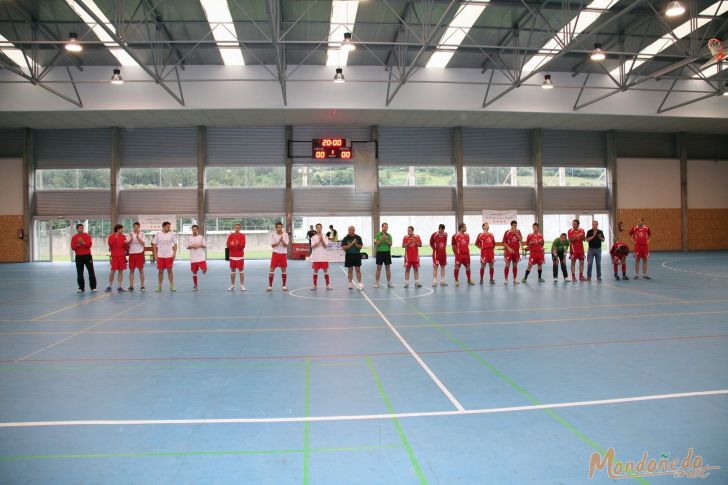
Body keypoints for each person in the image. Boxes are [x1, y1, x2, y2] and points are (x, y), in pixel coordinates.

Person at [71, 223, 97, 293]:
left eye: (82, 228)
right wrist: (78, 244)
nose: (81, 229)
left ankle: (93, 287)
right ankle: (81, 288)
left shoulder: (87, 236)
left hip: (87, 256)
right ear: (77, 229)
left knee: (91, 271)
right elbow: (73, 248)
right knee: (79, 272)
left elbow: (89, 245)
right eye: (79, 228)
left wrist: (83, 242)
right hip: (79, 256)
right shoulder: (74, 237)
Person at [152, 221, 177, 292]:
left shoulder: (172, 234)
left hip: (169, 255)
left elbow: (175, 244)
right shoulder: (158, 234)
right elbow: (154, 244)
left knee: (170, 270)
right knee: (160, 271)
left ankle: (172, 285)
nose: (169, 228)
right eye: (167, 227)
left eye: (169, 227)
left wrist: (174, 253)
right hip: (160, 256)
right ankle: (159, 286)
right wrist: (155, 254)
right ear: (163, 227)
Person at [106, 223, 127, 293]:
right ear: (118, 229)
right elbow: (110, 244)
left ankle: (119, 286)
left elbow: (126, 247)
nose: (122, 230)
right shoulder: (111, 236)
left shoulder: (123, 236)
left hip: (122, 256)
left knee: (121, 271)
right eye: (122, 229)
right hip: (115, 256)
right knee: (112, 272)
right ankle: (109, 286)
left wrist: (126, 243)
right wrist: (115, 237)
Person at [310, 223, 333, 290]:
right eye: (317, 227)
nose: (319, 229)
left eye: (320, 227)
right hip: (316, 257)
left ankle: (327, 285)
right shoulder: (313, 237)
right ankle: (314, 285)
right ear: (316, 228)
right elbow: (312, 246)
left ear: (322, 228)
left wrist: (322, 241)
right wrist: (318, 242)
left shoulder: (325, 237)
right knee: (315, 271)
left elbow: (325, 246)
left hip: (324, 257)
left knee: (325, 271)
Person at [268, 222, 289, 291]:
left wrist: (282, 240)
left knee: (283, 270)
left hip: (283, 254)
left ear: (282, 227)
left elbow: (286, 245)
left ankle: (284, 286)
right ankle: (270, 286)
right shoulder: (273, 235)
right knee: (271, 269)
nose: (279, 228)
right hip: (275, 254)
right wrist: (279, 241)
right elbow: (272, 245)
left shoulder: (285, 235)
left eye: (280, 227)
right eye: (278, 227)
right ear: (276, 228)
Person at [341, 226, 364, 290]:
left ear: (354, 230)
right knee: (350, 270)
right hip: (349, 255)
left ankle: (359, 284)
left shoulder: (358, 237)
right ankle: (350, 284)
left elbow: (360, 247)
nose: (349, 230)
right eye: (349, 229)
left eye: (351, 229)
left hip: (357, 255)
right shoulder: (345, 238)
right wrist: (352, 243)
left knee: (358, 270)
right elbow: (344, 248)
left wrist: (355, 243)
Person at [126, 222, 146, 292]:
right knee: (131, 270)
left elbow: (143, 244)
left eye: (137, 226)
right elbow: (127, 244)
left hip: (139, 253)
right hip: (131, 253)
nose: (135, 228)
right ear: (133, 227)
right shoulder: (130, 234)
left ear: (139, 227)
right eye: (134, 226)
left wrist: (138, 238)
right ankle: (131, 286)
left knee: (141, 270)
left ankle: (142, 286)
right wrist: (131, 239)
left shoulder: (142, 234)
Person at [226, 223, 246, 291]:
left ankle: (242, 285)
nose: (237, 229)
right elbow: (227, 245)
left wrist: (238, 243)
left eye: (238, 227)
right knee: (232, 271)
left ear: (240, 228)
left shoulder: (242, 235)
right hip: (232, 256)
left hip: (240, 256)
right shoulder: (230, 235)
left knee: (241, 271)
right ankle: (232, 285)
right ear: (234, 228)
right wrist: (231, 245)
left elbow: (243, 245)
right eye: (236, 227)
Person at [187, 224, 207, 291]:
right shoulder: (189, 237)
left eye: (196, 229)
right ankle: (195, 286)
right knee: (194, 272)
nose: (194, 230)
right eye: (193, 229)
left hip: (201, 257)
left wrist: (198, 246)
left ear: (198, 230)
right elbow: (188, 247)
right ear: (192, 230)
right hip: (193, 258)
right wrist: (193, 246)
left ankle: (204, 270)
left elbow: (205, 245)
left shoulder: (201, 237)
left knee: (204, 269)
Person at [502, 220, 523, 285]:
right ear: (511, 226)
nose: (515, 227)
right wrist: (508, 248)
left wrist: (516, 233)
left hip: (516, 251)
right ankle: (506, 278)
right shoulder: (507, 232)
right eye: (514, 225)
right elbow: (504, 242)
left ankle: (515, 278)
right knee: (507, 264)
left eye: (516, 225)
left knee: (515, 265)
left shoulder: (518, 231)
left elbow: (520, 239)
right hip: (509, 251)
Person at [374, 222, 394, 288]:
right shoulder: (377, 235)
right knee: (378, 268)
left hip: (387, 253)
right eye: (384, 227)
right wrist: (382, 239)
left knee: (388, 268)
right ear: (382, 227)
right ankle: (377, 283)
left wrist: (386, 239)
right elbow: (376, 244)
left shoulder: (389, 235)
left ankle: (389, 282)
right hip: (380, 252)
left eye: (386, 227)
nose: (386, 228)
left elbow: (390, 244)